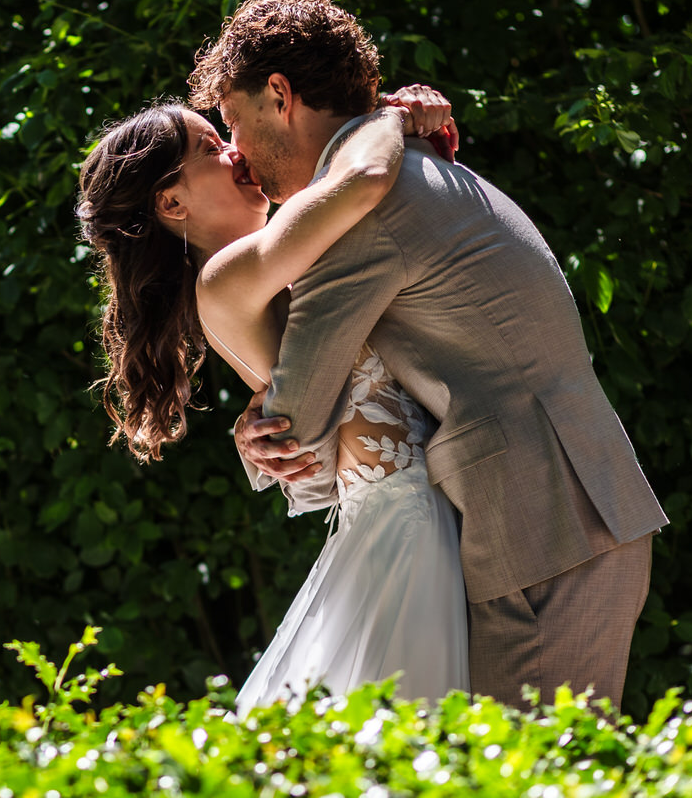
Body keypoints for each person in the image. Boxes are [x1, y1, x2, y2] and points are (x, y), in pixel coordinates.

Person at [191, 0, 668, 710]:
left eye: (234, 121)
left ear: (279, 95)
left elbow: (303, 433)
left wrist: (265, 433)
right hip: (572, 508)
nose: (239, 153)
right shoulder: (415, 166)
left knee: (524, 780)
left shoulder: (356, 213)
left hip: (543, 526)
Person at [76, 88, 471, 703]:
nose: (234, 150)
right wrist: (391, 115)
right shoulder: (227, 275)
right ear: (172, 201)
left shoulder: (267, 270)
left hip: (411, 514)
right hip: (407, 523)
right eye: (210, 146)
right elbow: (361, 179)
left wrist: (260, 416)